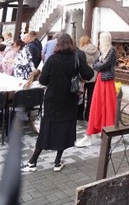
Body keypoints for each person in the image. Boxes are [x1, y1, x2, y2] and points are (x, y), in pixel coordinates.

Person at [22, 33, 93, 173]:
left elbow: (43, 80)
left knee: (46, 130)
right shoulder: (76, 58)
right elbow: (89, 74)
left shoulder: (52, 59)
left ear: (58, 44)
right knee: (64, 130)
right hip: (69, 100)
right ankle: (57, 161)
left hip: (52, 100)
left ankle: (33, 161)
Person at [75, 31, 117, 147]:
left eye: (102, 39)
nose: (100, 41)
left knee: (108, 107)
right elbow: (95, 64)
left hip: (107, 81)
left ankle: (108, 132)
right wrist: (100, 64)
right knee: (96, 105)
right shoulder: (102, 51)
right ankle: (90, 135)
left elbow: (103, 65)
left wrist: (100, 64)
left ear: (106, 39)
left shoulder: (112, 50)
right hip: (100, 80)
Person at [78, 35, 99, 121]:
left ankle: (79, 115)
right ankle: (88, 116)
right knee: (91, 97)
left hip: (83, 76)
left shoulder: (81, 51)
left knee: (81, 96)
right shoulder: (96, 50)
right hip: (93, 76)